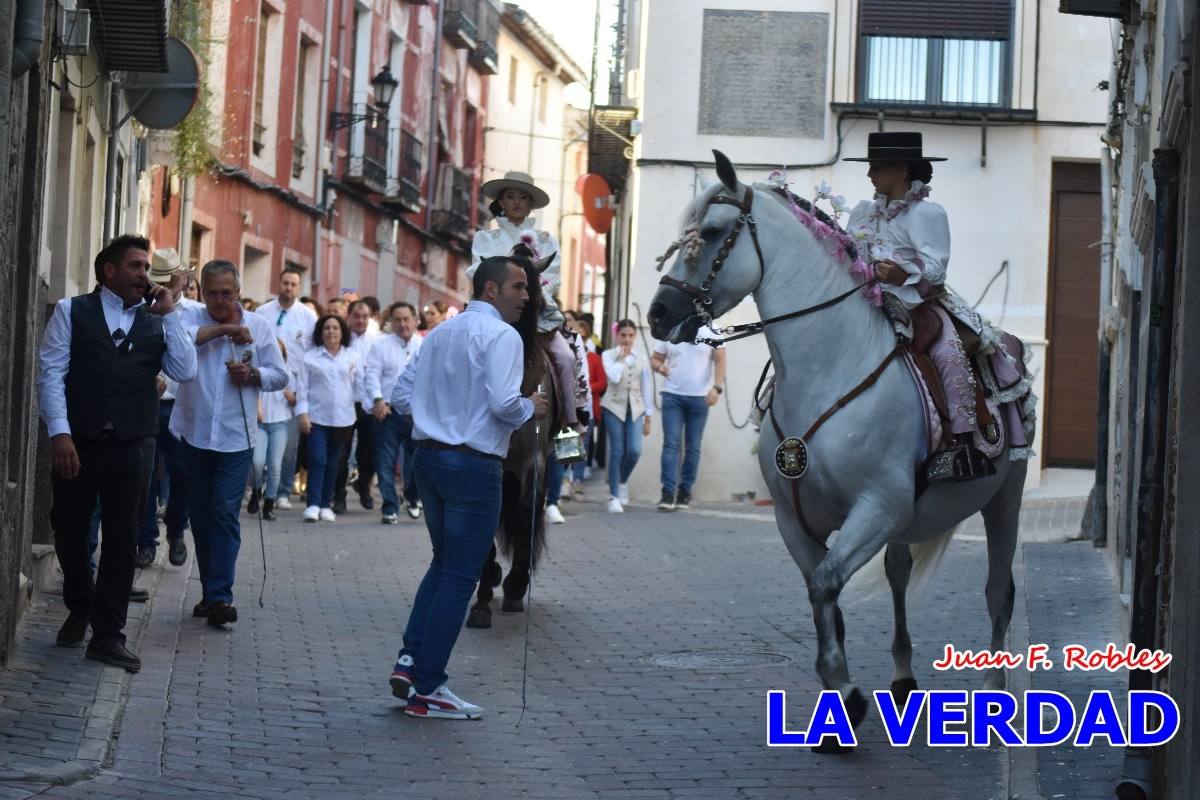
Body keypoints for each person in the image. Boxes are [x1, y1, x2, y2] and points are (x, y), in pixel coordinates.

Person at [386, 255, 548, 719]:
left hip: (428, 459)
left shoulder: (440, 333)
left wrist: (440, 418)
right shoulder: (503, 335)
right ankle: (428, 686)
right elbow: (503, 405)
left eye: (528, 287)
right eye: (518, 287)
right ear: (490, 290)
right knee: (459, 576)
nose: (527, 296)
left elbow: (401, 397)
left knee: (443, 565)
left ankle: (410, 661)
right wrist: (530, 407)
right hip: (473, 466)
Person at [37, 234, 198, 671]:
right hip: (80, 442)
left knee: (123, 538)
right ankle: (80, 603)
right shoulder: (72, 311)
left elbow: (185, 370)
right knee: (69, 529)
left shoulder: (157, 320)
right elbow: (51, 375)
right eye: (136, 266)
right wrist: (60, 434)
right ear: (108, 270)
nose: (144, 274)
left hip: (134, 444)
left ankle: (108, 635)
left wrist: (170, 315)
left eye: (146, 268)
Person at [844, 131, 993, 481]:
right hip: (865, 301)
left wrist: (902, 274)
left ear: (901, 170)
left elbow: (937, 267)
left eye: (877, 167)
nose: (869, 174)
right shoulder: (864, 212)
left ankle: (962, 445)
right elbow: (848, 253)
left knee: (948, 352)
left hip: (915, 303)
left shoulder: (926, 213)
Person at [172, 260, 287, 627]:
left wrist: (253, 374)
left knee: (224, 513)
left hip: (237, 440)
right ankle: (210, 592)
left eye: (226, 293)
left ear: (238, 292)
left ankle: (221, 596)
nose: (219, 300)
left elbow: (281, 375)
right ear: (202, 293)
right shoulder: (190, 317)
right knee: (201, 517)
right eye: (212, 294)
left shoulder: (260, 326)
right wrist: (224, 330)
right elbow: (178, 340)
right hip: (194, 434)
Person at [135, 250, 203, 570]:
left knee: (184, 473)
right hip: (147, 403)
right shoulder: (141, 308)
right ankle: (146, 541)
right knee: (145, 475)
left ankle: (176, 529)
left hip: (182, 404)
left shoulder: (198, 313)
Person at [651, 326, 726, 511]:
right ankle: (667, 493)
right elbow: (655, 359)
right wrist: (660, 367)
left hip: (700, 398)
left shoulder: (712, 329)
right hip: (672, 395)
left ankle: (684, 492)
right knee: (671, 444)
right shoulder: (672, 326)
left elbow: (720, 360)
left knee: (693, 447)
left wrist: (716, 388)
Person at [296, 314, 360, 522]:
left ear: (342, 332)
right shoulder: (310, 358)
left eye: (335, 328)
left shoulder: (352, 357)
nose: (331, 331)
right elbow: (302, 388)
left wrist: (371, 404)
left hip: (343, 419)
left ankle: (326, 504)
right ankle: (313, 504)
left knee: (334, 463)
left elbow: (360, 386)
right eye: (327, 328)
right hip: (316, 418)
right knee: (317, 459)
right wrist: (302, 413)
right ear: (320, 332)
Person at [366, 301, 423, 523]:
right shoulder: (380, 345)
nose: (402, 324)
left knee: (416, 462)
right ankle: (389, 506)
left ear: (415, 321)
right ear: (391, 321)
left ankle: (412, 496)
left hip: (417, 414)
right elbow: (372, 374)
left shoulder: (424, 345)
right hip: (388, 411)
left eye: (406, 319)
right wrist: (377, 400)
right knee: (385, 461)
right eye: (397, 319)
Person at [332, 299, 382, 513]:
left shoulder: (377, 341)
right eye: (356, 316)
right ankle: (339, 496)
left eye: (365, 317)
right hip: (345, 404)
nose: (360, 320)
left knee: (369, 452)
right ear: (349, 316)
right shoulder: (341, 340)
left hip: (369, 404)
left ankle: (363, 484)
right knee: (341, 453)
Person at [601, 320, 654, 513]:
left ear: (635, 337)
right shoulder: (608, 355)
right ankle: (613, 496)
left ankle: (622, 481)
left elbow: (647, 387)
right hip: (613, 406)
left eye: (631, 335)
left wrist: (648, 417)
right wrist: (621, 359)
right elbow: (614, 377)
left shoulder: (641, 358)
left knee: (634, 450)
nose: (627, 339)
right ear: (617, 335)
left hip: (636, 408)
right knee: (617, 451)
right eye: (623, 335)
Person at [247, 338, 298, 521]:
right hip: (260, 423)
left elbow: (296, 399)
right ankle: (256, 490)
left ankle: (269, 503)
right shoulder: (257, 371)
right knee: (257, 462)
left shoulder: (288, 373)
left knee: (275, 465)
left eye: (280, 351)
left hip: (280, 423)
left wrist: (292, 397)